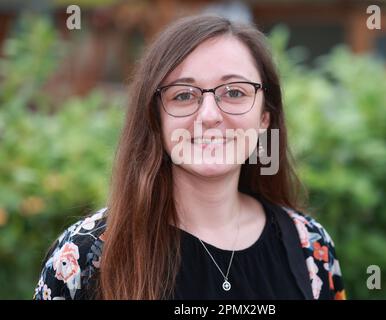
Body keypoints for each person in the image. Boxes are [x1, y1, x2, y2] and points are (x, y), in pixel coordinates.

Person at [33, 14, 346, 300]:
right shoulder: (84, 257)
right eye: (184, 95)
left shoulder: (310, 247)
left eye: (235, 92)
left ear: (265, 116)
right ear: (156, 118)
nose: (209, 116)